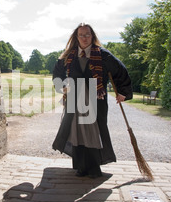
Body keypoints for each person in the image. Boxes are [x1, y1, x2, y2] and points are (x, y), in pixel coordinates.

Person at [52, 23, 133, 178]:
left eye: (87, 34)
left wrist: (123, 92)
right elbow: (57, 73)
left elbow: (121, 71)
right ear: (76, 37)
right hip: (74, 99)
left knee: (93, 132)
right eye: (81, 35)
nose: (84, 38)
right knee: (77, 132)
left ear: (93, 36)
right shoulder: (68, 55)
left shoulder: (103, 55)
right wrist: (62, 86)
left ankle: (94, 168)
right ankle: (81, 167)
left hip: (96, 100)